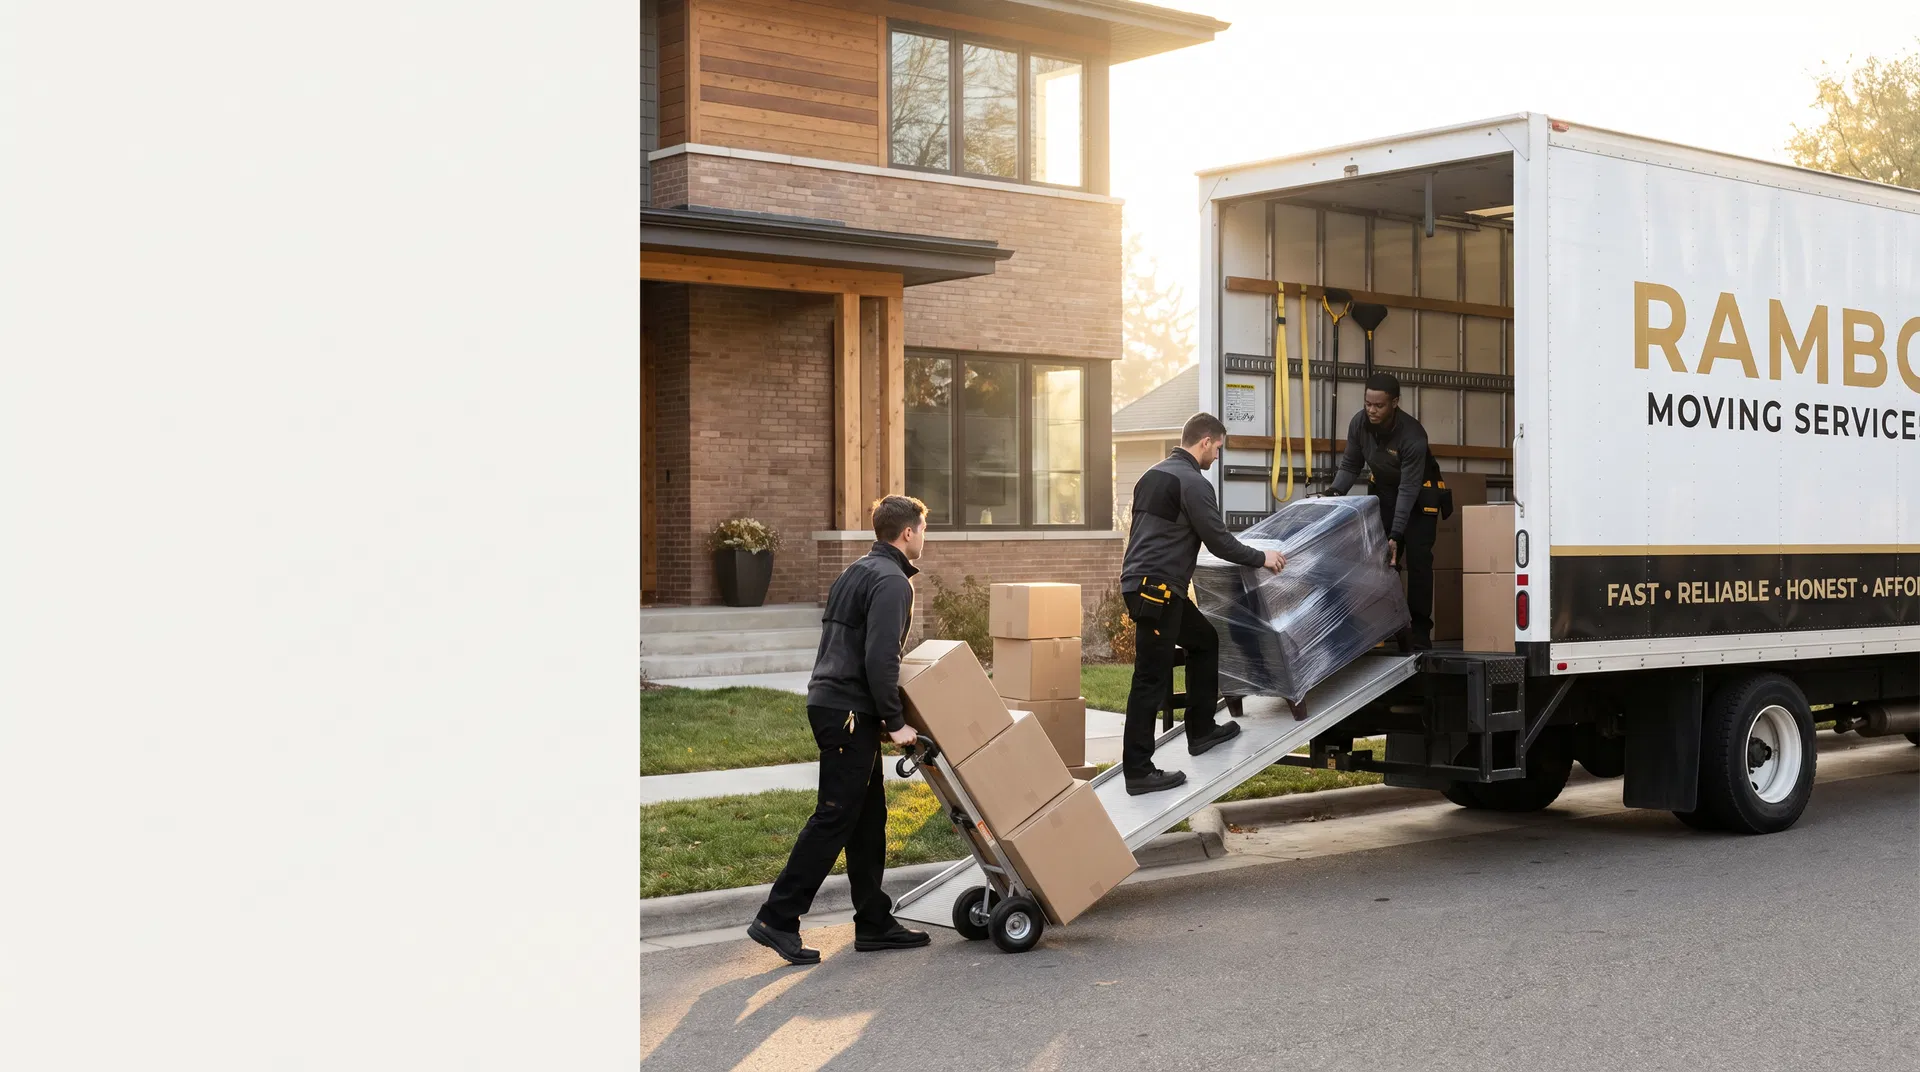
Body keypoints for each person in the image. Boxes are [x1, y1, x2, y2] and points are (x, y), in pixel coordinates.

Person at [747, 495, 931, 965]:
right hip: (849, 711)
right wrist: (896, 723)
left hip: (835, 704)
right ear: (907, 532)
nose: (924, 538)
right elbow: (879, 656)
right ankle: (777, 917)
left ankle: (873, 921)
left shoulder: (857, 571)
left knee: (867, 819)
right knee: (834, 815)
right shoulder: (892, 582)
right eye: (923, 530)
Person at [1118, 413, 1286, 796]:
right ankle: (1139, 771)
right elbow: (1219, 541)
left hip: (1146, 584)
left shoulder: (1154, 474)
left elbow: (1157, 534)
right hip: (1157, 590)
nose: (1217, 457)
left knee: (1204, 640)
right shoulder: (1192, 482)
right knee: (1150, 678)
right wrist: (1263, 558)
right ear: (1206, 441)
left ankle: (1202, 730)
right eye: (1218, 449)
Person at [1317, 372, 1442, 651]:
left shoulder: (1412, 435)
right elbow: (1350, 465)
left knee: (1419, 562)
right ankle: (1389, 626)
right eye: (1368, 404)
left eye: (1379, 405)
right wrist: (1333, 494)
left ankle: (1420, 630)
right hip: (1385, 494)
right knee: (1382, 562)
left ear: (1395, 403)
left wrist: (1396, 533)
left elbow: (1408, 490)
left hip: (1419, 497)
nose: (1372, 410)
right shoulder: (1359, 423)